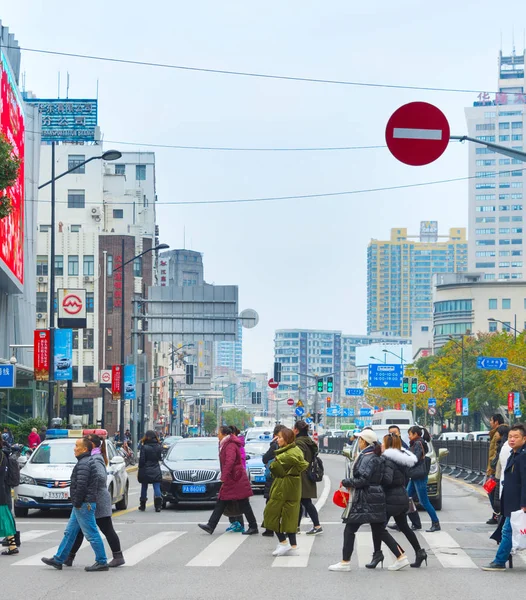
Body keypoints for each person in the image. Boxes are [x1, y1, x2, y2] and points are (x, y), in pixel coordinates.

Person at [329, 430, 404, 572]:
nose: (359, 442)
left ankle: (345, 562)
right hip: (374, 496)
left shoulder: (367, 457)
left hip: (366, 498)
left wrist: (347, 482)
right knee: (379, 530)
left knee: (350, 529)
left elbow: (363, 479)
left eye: (360, 440)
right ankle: (401, 557)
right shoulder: (373, 456)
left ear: (365, 441)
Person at [41, 437, 109, 571]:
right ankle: (59, 559)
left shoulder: (84, 463)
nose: (74, 448)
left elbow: (81, 486)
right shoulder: (85, 461)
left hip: (84, 504)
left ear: (84, 449)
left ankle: (102, 561)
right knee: (70, 532)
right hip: (81, 504)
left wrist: (77, 503)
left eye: (77, 446)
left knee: (91, 533)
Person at [64, 434, 125, 568]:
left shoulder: (96, 458)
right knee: (79, 530)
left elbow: (101, 477)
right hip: (92, 499)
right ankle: (69, 557)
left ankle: (117, 556)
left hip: (98, 500)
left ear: (91, 445)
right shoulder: (93, 457)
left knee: (106, 529)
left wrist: (88, 486)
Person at [198, 426, 258, 535]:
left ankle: (253, 526)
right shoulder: (226, 444)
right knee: (224, 500)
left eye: (219, 433)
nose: (217, 435)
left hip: (235, 478)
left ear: (224, 434)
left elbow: (229, 462)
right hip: (234, 478)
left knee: (241, 502)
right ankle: (211, 525)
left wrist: (223, 478)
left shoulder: (230, 445)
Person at [482, 423, 526, 571]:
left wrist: (523, 504)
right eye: (510, 437)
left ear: (524, 439)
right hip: (511, 501)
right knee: (508, 531)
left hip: (518, 503)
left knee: (507, 531)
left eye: (516, 437)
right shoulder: (514, 454)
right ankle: (501, 558)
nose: (512, 439)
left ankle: (500, 561)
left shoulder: (523, 457)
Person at [381, 433, 427, 568]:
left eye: (383, 443)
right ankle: (420, 552)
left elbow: (387, 480)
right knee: (404, 527)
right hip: (402, 496)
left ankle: (399, 555)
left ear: (388, 445)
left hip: (391, 498)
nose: (381, 445)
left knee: (379, 528)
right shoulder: (402, 460)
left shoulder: (388, 461)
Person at [263, 427, 308, 556]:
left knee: (271, 514)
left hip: (283, 487)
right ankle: (292, 546)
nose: (278, 439)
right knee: (289, 516)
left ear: (287, 439)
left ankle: (283, 542)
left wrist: (274, 457)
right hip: (291, 486)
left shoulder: (286, 455)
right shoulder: (295, 450)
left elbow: (274, 469)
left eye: (280, 437)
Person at [406, 425, 440, 533]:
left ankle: (435, 523)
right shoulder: (418, 443)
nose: (408, 436)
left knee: (424, 501)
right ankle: (414, 523)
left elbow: (415, 458)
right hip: (415, 476)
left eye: (410, 434)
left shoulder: (418, 443)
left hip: (419, 476)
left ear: (416, 434)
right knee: (406, 497)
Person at [294, 420, 322, 535]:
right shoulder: (309, 441)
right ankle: (296, 527)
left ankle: (317, 525)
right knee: (302, 501)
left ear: (296, 430)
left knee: (305, 502)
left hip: (302, 476)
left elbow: (298, 460)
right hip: (307, 474)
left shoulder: (298, 443)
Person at [261, 424, 285, 537]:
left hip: (273, 477)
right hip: (284, 478)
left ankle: (270, 529)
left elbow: (265, 458)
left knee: (271, 503)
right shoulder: (289, 444)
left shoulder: (275, 445)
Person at [225, 425, 247, 532]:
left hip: (236, 476)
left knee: (238, 501)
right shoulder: (234, 444)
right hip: (235, 475)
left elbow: (234, 461)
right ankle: (236, 522)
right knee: (232, 500)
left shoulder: (235, 445)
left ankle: (239, 523)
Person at [138, 430, 163, 512]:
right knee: (156, 486)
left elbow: (142, 460)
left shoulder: (144, 447)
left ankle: (143, 505)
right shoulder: (159, 446)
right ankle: (158, 506)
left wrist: (140, 468)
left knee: (144, 487)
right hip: (155, 468)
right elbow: (160, 458)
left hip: (145, 469)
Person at [0, 440, 18, 556]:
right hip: (3, 490)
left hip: (1, 491)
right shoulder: (3, 454)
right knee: (5, 517)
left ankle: (12, 545)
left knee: (4, 517)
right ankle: (12, 545)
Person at [487, 414, 505, 525]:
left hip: (496, 469)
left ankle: (498, 514)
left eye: (491, 420)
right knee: (491, 491)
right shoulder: (495, 433)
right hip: (493, 468)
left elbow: (495, 453)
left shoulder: (499, 433)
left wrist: (491, 469)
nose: (490, 422)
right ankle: (496, 514)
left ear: (496, 422)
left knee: (492, 492)